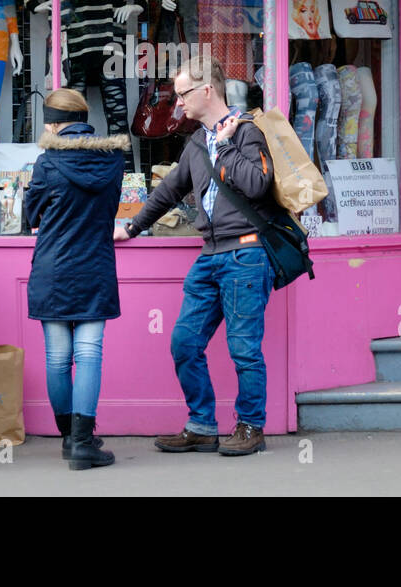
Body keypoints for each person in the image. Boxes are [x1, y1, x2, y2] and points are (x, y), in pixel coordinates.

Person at [115, 55, 284, 456]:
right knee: (184, 342)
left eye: (183, 94)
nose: (178, 104)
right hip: (210, 256)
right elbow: (169, 190)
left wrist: (225, 146)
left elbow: (258, 185)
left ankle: (250, 427)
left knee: (244, 347)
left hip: (246, 253)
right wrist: (133, 226)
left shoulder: (245, 132)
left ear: (207, 90)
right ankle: (202, 425)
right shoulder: (195, 143)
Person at [23, 87, 129, 469]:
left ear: (52, 123)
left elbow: (32, 215)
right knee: (88, 355)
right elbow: (111, 207)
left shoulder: (47, 163)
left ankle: (70, 438)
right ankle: (84, 443)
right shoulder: (112, 159)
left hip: (53, 267)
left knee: (57, 358)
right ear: (84, 118)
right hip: (94, 265)